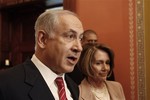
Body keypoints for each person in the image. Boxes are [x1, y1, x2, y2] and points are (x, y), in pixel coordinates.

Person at [0, 9, 84, 100]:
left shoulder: (74, 87)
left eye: (80, 38)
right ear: (43, 39)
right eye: (70, 36)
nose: (79, 48)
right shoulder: (5, 83)